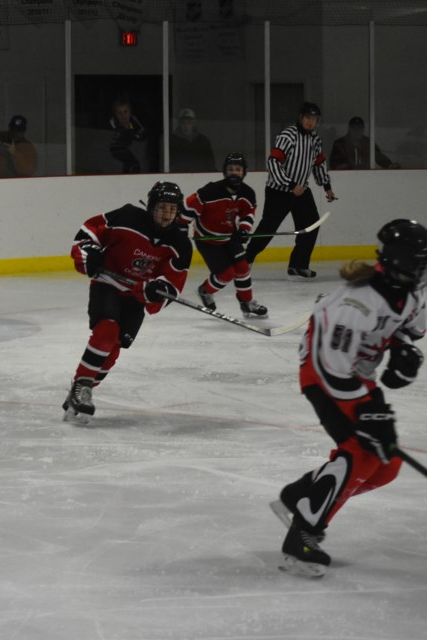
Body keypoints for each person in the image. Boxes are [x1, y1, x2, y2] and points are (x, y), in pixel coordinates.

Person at [270, 219, 427, 578]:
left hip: (357, 377)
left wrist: (404, 351)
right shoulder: (353, 303)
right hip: (324, 378)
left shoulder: (412, 291)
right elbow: (331, 368)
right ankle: (303, 534)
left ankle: (300, 495)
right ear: (402, 261)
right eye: (420, 262)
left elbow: (407, 328)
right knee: (361, 451)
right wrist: (370, 409)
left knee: (385, 467)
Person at [63, 182, 193, 422]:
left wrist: (157, 290)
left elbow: (173, 284)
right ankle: (82, 387)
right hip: (107, 284)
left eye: (172, 210)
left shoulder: (180, 245)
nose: (166, 214)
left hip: (135, 297)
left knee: (115, 349)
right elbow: (89, 231)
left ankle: (81, 390)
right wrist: (89, 254)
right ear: (151, 206)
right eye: (162, 208)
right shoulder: (128, 216)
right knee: (107, 330)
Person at [245, 102, 337, 281]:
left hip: (301, 190)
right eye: (308, 118)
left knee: (311, 225)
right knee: (268, 228)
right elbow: (273, 162)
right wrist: (290, 184)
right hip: (279, 190)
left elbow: (318, 164)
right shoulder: (288, 135)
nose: (311, 122)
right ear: (301, 118)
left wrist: (327, 187)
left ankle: (299, 265)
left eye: (314, 119)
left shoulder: (315, 139)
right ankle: (246, 259)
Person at [183, 153, 268, 318]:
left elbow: (248, 213)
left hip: (229, 236)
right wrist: (179, 231)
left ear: (244, 172)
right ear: (224, 172)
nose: (234, 172)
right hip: (207, 240)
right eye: (230, 169)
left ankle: (247, 304)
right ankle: (205, 290)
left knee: (243, 269)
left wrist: (244, 229)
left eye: (238, 169)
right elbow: (187, 209)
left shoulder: (248, 193)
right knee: (226, 274)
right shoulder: (209, 191)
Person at [329, 116, 401, 170]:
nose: (357, 131)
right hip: (346, 179)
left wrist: (389, 165)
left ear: (363, 129)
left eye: (359, 128)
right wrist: (341, 166)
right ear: (349, 129)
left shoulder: (368, 143)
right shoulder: (340, 144)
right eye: (354, 128)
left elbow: (379, 157)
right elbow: (334, 163)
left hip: (366, 178)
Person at [105, 97, 147, 174]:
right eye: (119, 113)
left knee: (130, 164)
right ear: (115, 114)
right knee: (134, 164)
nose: (123, 116)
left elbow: (142, 132)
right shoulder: (112, 124)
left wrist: (135, 135)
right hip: (116, 150)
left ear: (130, 112)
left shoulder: (133, 121)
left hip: (125, 148)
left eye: (125, 112)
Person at [170, 108, 216, 173]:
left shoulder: (203, 141)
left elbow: (210, 163)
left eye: (189, 123)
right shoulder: (172, 141)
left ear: (193, 123)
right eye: (183, 123)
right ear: (179, 123)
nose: (186, 126)